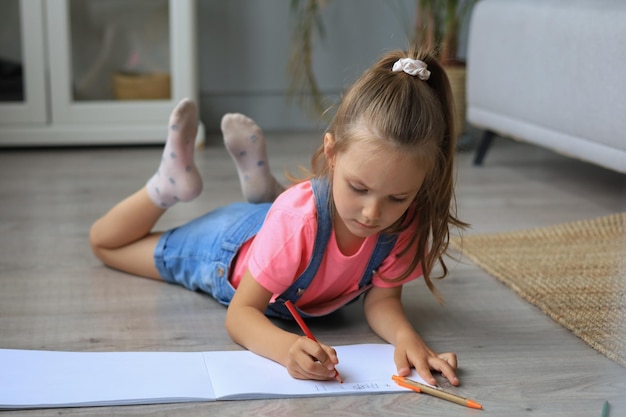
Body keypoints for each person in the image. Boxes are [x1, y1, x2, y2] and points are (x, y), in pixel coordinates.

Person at [89, 47, 466, 387]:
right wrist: (287, 349)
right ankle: (170, 184)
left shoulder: (405, 223)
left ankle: (264, 194)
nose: (372, 213)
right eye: (358, 188)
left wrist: (406, 338)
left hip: (280, 231)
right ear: (331, 154)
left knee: (288, 218)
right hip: (227, 252)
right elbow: (241, 315)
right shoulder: (297, 222)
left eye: (397, 197)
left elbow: (382, 302)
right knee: (106, 243)